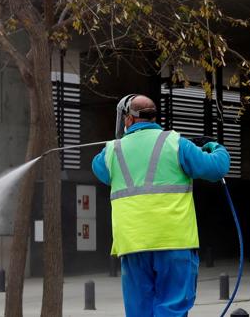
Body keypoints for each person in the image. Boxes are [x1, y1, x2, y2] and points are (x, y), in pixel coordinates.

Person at [92, 93, 231, 317]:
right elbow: (217, 168)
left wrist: (118, 140)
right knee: (172, 308)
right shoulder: (177, 144)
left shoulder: (111, 151)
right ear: (154, 117)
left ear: (127, 119)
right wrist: (213, 145)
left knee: (139, 311)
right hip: (174, 243)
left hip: (133, 246)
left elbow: (100, 170)